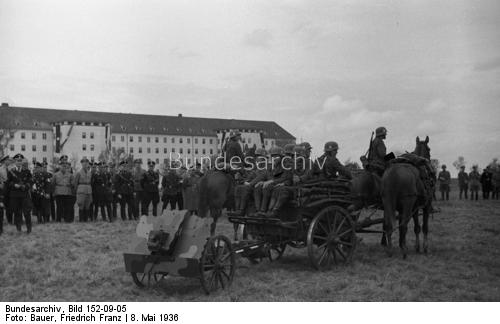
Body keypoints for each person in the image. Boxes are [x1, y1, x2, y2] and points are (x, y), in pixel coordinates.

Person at [6, 154, 33, 233]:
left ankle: (29, 229)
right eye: (17, 161)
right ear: (15, 161)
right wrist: (14, 185)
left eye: (20, 161)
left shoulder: (27, 171)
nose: (19, 162)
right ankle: (18, 229)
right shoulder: (11, 172)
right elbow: (8, 183)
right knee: (17, 212)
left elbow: (31, 181)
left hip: (24, 195)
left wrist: (26, 186)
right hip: (15, 195)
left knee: (27, 212)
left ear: (22, 162)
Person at [74, 158, 93, 222]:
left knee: (87, 205)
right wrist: (76, 192)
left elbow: (91, 182)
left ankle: (86, 219)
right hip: (81, 191)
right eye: (84, 163)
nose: (85, 164)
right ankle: (81, 219)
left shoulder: (89, 173)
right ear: (81, 164)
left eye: (86, 163)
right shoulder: (78, 173)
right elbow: (76, 183)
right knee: (81, 205)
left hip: (88, 190)